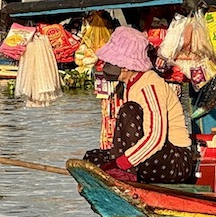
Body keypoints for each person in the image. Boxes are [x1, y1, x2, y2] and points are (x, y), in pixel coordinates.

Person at [83, 26, 195, 184]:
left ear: (126, 66)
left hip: (175, 160)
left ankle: (125, 174)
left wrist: (121, 164)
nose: (106, 65)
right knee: (92, 158)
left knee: (129, 110)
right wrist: (113, 163)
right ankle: (121, 172)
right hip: (152, 156)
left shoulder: (149, 85)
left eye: (111, 61)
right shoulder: (130, 85)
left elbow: (155, 138)